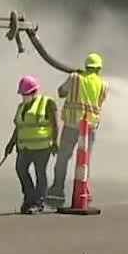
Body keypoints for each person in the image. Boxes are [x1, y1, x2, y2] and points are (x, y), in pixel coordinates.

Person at [47, 52, 108, 207]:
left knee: (62, 158)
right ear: (99, 69)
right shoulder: (103, 85)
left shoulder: (74, 78)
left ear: (86, 66)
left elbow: (61, 92)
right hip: (89, 129)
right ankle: (84, 190)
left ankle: (57, 188)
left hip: (72, 125)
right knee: (85, 161)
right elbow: (99, 102)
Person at [5, 75, 59, 214]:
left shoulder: (47, 103)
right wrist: (11, 143)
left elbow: (55, 124)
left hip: (42, 147)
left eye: (27, 93)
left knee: (40, 173)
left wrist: (55, 142)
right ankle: (29, 197)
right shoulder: (21, 106)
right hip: (24, 147)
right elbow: (19, 127)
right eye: (23, 94)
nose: (24, 96)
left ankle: (38, 202)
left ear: (35, 91)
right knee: (20, 169)